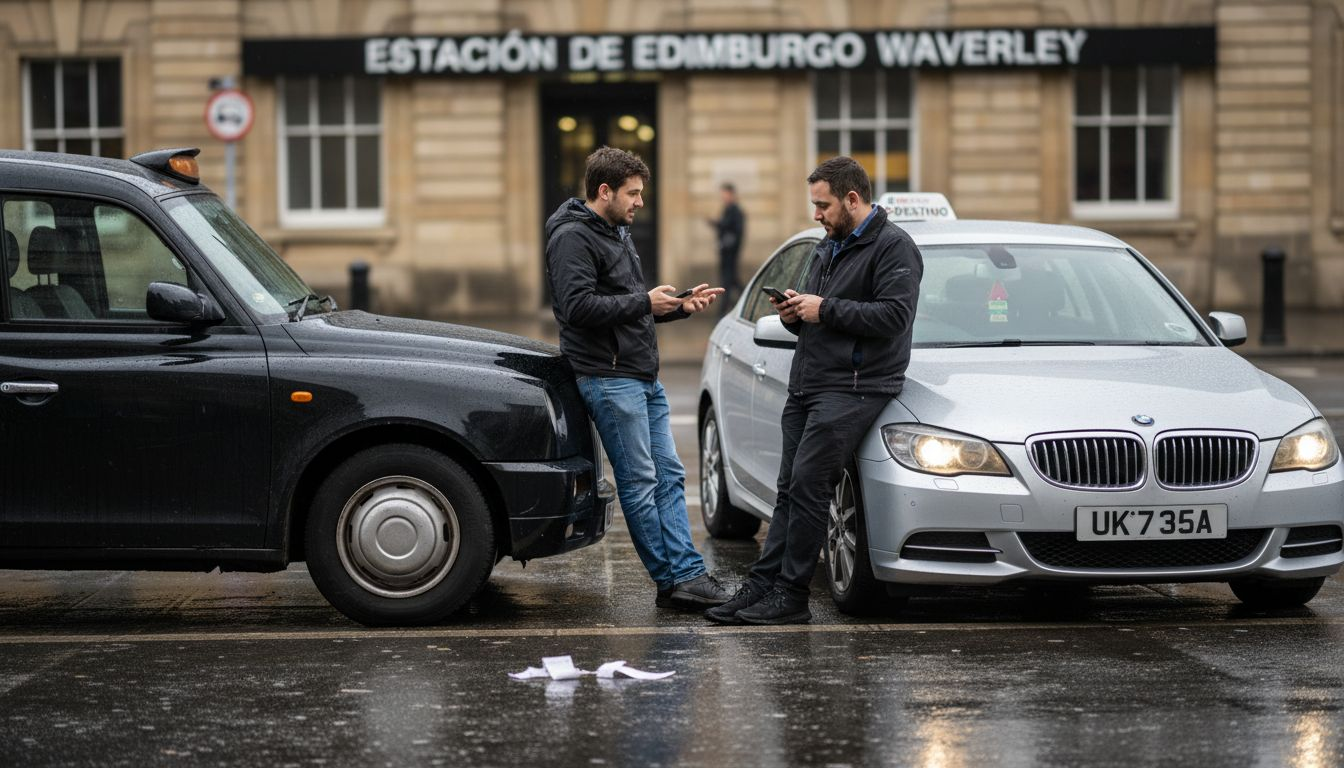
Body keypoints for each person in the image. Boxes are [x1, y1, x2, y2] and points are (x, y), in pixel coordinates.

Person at [706, 157, 923, 625]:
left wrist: (823, 309)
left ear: (852, 198)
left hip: (855, 386)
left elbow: (893, 317)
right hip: (809, 382)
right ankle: (762, 586)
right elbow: (818, 314)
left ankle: (791, 596)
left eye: (823, 205)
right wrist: (793, 314)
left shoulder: (894, 247)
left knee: (808, 486)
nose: (816, 214)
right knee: (789, 489)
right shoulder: (828, 244)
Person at [546, 146, 731, 611]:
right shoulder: (572, 237)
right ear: (604, 191)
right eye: (632, 193)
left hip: (641, 374)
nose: (640, 202)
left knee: (669, 475)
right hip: (609, 378)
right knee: (641, 481)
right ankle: (673, 579)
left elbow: (625, 308)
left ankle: (686, 575)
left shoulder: (616, 232)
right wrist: (646, 302)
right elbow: (578, 308)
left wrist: (676, 307)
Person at [706, 182, 745, 315]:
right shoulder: (728, 209)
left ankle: (723, 311)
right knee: (732, 280)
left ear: (731, 194)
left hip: (730, 253)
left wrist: (716, 222)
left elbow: (734, 230)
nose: (723, 197)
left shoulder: (735, 211)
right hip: (725, 252)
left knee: (727, 281)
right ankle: (743, 300)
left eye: (725, 194)